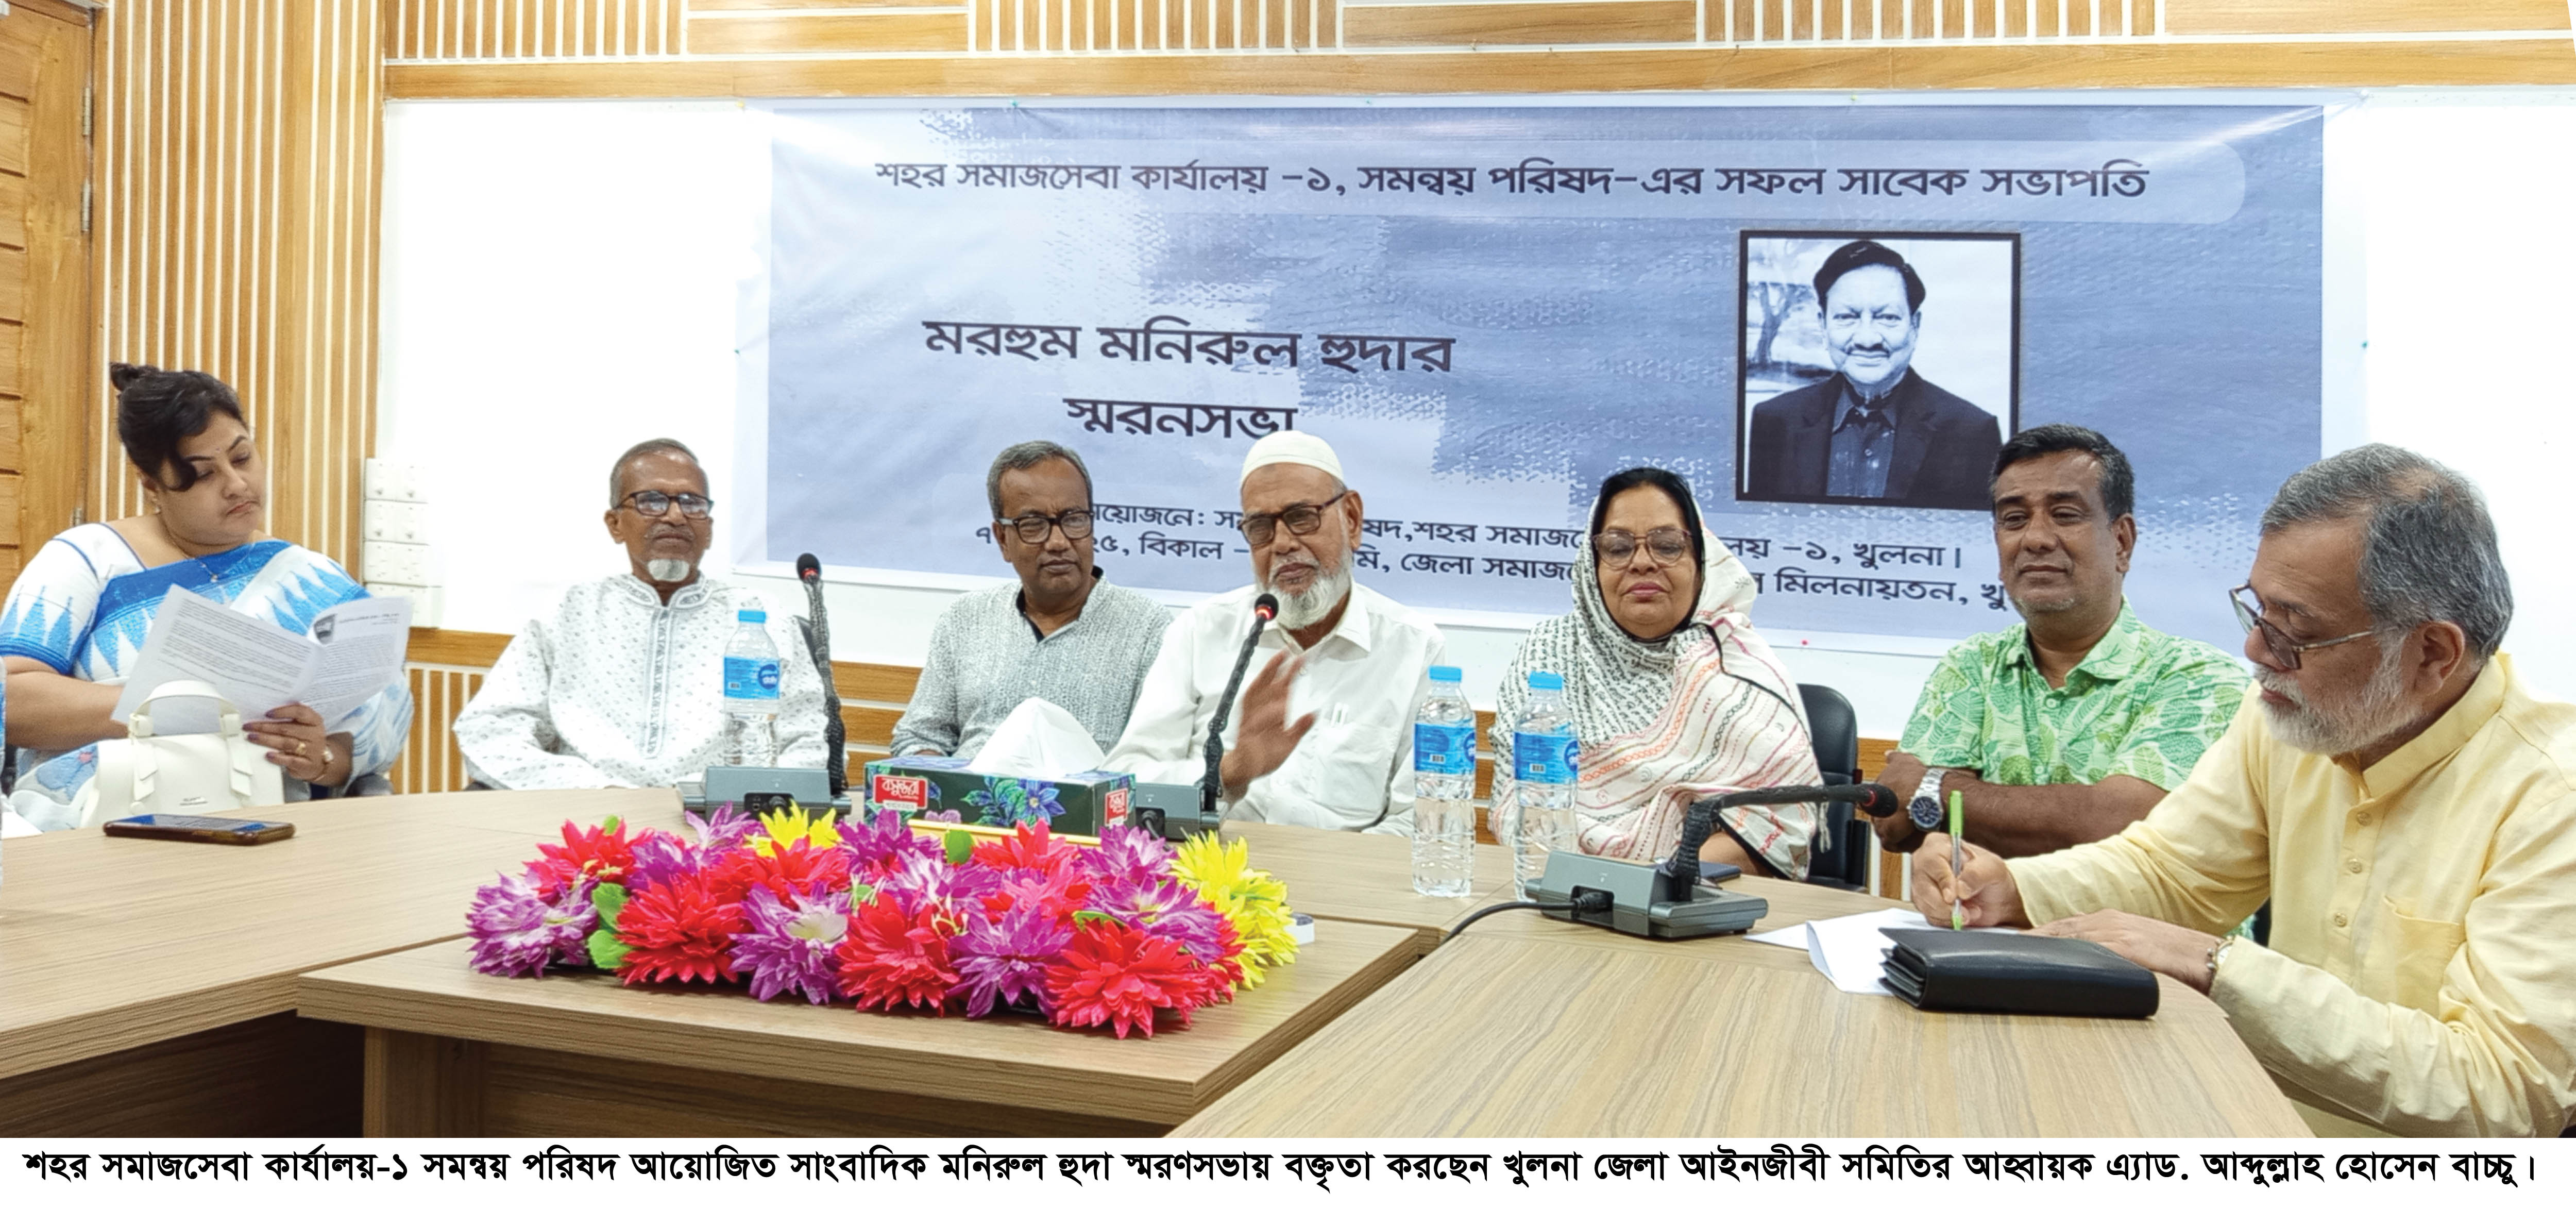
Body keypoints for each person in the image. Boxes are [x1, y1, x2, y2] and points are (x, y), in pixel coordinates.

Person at [1913, 446, 2576, 1138]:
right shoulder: (2293, 718)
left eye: (2296, 632)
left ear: (2432, 653)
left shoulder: (2551, 797)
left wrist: (2217, 967)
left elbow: (2503, 1090)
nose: (2257, 652)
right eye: (2257, 612)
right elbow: (2173, 871)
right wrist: (2013, 888)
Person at [0, 364, 414, 829]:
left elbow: (375, 725)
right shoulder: (88, 558)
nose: (236, 485)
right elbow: (13, 699)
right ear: (151, 484)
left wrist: (319, 758)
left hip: (271, 830)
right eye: (202, 474)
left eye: (242, 458)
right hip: (102, 826)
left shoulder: (314, 579)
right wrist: (178, 707)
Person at [1872, 426, 2249, 858]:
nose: (2035, 539)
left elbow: (2124, 829)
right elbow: (1898, 821)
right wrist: (1948, 800)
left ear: (2122, 542)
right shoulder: (1972, 665)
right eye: (2014, 520)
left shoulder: (2200, 678)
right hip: (1975, 905)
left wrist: (1934, 791)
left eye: (2066, 515)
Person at [1489, 467, 1823, 879]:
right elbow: (1517, 802)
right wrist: (1593, 882)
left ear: (1701, 560)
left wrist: (1656, 881)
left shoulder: (1740, 667)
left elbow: (1775, 826)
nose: (1643, 563)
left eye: (1667, 546)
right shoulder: (1548, 654)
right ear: (1592, 565)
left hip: (1702, 898)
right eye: (1618, 548)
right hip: (1558, 888)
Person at [1106, 431, 1443, 834]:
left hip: (1339, 872)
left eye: (1302, 517)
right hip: (1207, 866)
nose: (1283, 544)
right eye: (1260, 527)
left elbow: (1420, 821)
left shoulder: (1414, 649)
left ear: (1351, 519)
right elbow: (1125, 783)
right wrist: (1230, 772)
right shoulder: (1200, 632)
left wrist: (1324, 866)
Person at [453, 439, 828, 790]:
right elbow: (491, 731)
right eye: (652, 501)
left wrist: (722, 797)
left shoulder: (762, 617)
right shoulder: (566, 613)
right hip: (585, 811)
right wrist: (595, 789)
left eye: (693, 504)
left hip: (720, 814)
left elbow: (808, 743)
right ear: (615, 524)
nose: (676, 516)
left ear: (709, 530)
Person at [890, 441, 1170, 759]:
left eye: (1074, 519)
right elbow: (919, 736)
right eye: (1034, 525)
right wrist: (945, 782)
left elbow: (1154, 757)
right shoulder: (965, 619)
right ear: (1002, 540)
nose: (1058, 542)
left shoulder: (1149, 629)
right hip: (968, 788)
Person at [1744, 239, 2002, 510]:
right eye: (1847, 317)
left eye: (1887, 317)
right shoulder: (1775, 421)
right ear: (1823, 326)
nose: (1867, 340)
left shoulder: (1972, 432)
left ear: (1914, 326)